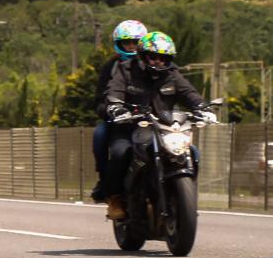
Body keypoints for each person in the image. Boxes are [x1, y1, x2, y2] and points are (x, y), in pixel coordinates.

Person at [103, 31, 215, 219]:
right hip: (130, 127)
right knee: (119, 153)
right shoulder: (126, 70)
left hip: (165, 127)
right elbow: (114, 91)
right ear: (142, 56)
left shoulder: (172, 74)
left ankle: (183, 197)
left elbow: (189, 93)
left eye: (163, 58)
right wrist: (116, 107)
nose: (158, 62)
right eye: (153, 57)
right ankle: (116, 198)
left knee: (191, 152)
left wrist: (203, 107)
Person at [91, 20, 148, 202]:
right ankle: (104, 181)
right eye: (127, 43)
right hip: (119, 120)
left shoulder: (155, 64)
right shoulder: (111, 67)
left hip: (150, 120)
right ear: (119, 44)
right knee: (100, 135)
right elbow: (100, 99)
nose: (131, 46)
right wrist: (111, 111)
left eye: (135, 42)